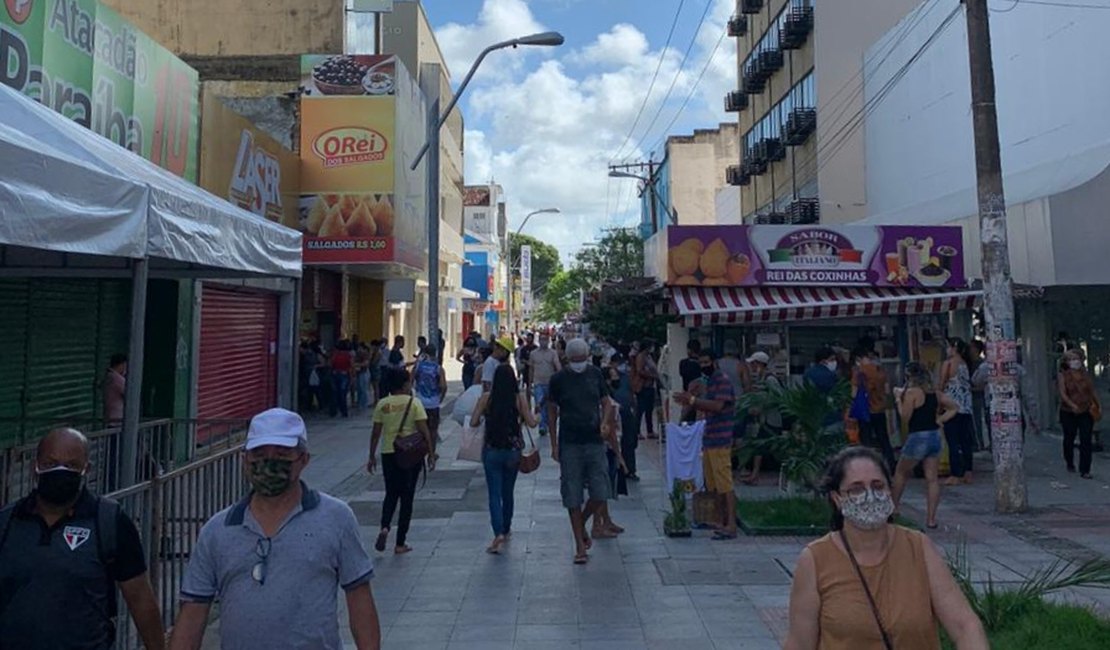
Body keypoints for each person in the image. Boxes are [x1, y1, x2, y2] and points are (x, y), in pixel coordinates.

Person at [170, 409, 381, 650]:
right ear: (245, 460)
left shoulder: (337, 518)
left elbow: (359, 597)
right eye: (259, 454)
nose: (269, 463)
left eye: (282, 454)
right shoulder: (217, 531)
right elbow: (193, 613)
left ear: (303, 460)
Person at [784, 447, 988, 650]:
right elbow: (800, 643)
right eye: (856, 489)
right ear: (837, 498)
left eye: (877, 486)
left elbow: (965, 626)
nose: (870, 496)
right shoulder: (816, 559)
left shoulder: (918, 547)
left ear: (890, 491)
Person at [0, 428, 165, 650]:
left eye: (71, 466)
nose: (60, 472)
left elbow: (140, 597)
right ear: (35, 468)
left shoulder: (109, 521)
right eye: (50, 464)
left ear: (86, 469)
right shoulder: (8, 522)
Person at [547, 338, 616, 565]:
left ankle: (583, 523)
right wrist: (554, 444)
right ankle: (579, 545)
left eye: (581, 359)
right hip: (570, 442)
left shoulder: (595, 374)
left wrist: (605, 422)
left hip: (594, 440)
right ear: (568, 358)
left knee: (601, 490)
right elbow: (551, 411)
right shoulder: (558, 380)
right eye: (575, 360)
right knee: (572, 492)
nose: (578, 363)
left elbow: (607, 402)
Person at [470, 364, 538, 554]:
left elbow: (474, 422)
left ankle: (498, 532)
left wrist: (486, 416)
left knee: (494, 493)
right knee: (508, 492)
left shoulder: (486, 398)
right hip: (513, 451)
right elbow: (532, 423)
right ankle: (506, 528)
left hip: (491, 450)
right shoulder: (519, 398)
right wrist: (539, 417)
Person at [368, 367, 435, 555]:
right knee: (407, 497)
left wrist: (371, 456)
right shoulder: (415, 403)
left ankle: (385, 526)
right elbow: (424, 431)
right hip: (410, 455)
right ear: (406, 384)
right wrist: (431, 453)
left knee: (391, 493)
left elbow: (375, 433)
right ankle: (400, 543)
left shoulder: (382, 404)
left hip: (389, 452)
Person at [676, 350, 738, 539]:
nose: (704, 366)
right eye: (700, 362)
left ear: (714, 362)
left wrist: (693, 400)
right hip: (711, 437)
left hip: (721, 438)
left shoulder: (722, 380)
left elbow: (718, 406)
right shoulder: (710, 381)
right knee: (714, 484)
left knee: (724, 483)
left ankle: (731, 524)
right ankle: (720, 520)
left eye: (706, 362)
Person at [891, 363, 959, 529]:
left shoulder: (912, 393)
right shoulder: (935, 394)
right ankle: (931, 519)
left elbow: (905, 417)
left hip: (918, 436)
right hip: (934, 436)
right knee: (932, 479)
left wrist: (899, 400)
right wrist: (940, 420)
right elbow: (954, 407)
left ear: (909, 377)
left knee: (900, 473)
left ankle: (892, 509)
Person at [851, 346, 896, 471]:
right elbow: (887, 391)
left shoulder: (859, 372)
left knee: (866, 440)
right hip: (879, 410)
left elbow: (854, 394)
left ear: (860, 358)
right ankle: (891, 465)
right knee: (883, 439)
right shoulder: (881, 371)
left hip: (865, 411)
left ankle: (868, 467)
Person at [741, 351, 782, 485]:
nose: (751, 367)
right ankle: (755, 474)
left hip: (772, 419)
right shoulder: (762, 378)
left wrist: (762, 408)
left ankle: (758, 475)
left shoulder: (770, 379)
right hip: (765, 420)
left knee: (774, 449)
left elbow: (778, 397)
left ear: (759, 364)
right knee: (762, 447)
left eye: (753, 364)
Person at [939, 338, 976, 486]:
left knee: (953, 441)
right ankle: (968, 471)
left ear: (953, 348)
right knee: (965, 440)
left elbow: (942, 383)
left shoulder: (948, 364)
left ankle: (955, 473)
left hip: (952, 405)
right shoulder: (965, 364)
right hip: (966, 406)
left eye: (948, 346)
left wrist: (938, 405)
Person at [1059, 349, 1098, 478]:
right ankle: (1070, 462)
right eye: (1071, 359)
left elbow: (1091, 391)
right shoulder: (1063, 375)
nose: (1075, 362)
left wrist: (1096, 404)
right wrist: (1072, 405)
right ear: (1066, 362)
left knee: (1086, 439)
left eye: (1076, 358)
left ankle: (1085, 469)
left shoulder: (1085, 374)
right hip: (1068, 411)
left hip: (1086, 410)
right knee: (1069, 437)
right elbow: (1063, 393)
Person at [608, 350, 640, 481]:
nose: (620, 366)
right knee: (611, 444)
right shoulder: (607, 378)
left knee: (629, 441)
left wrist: (634, 409)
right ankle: (613, 469)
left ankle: (630, 470)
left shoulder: (626, 377)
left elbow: (631, 393)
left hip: (627, 413)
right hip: (612, 415)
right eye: (617, 363)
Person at [413, 345, 447, 452]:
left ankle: (420, 450)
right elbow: (443, 386)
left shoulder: (418, 366)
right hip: (433, 403)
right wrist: (440, 398)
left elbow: (409, 381)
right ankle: (432, 452)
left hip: (419, 403)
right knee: (433, 430)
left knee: (419, 429)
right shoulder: (438, 368)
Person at [529, 333, 562, 435]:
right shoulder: (533, 354)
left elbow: (557, 365)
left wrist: (561, 377)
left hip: (550, 383)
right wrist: (529, 383)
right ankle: (542, 426)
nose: (543, 341)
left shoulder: (553, 353)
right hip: (538, 382)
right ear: (538, 340)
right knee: (540, 403)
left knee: (550, 405)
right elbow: (531, 368)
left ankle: (548, 422)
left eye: (545, 339)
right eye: (542, 339)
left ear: (548, 341)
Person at [633, 339, 661, 440]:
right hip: (643, 386)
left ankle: (650, 431)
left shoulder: (648, 356)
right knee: (640, 409)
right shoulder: (641, 356)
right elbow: (639, 370)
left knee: (649, 409)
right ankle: (637, 432)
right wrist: (652, 376)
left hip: (650, 386)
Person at [968, 340, 989, 450]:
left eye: (971, 347)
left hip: (978, 395)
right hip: (973, 395)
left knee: (978, 421)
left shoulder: (981, 365)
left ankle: (979, 443)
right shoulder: (968, 363)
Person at [329, 340, 353, 418]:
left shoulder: (335, 355)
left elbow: (331, 364)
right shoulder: (348, 355)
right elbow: (351, 366)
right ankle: (344, 411)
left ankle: (333, 411)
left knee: (334, 394)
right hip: (344, 374)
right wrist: (352, 376)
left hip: (335, 374)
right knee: (343, 394)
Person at [101, 353, 128, 423]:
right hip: (118, 419)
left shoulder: (108, 376)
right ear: (121, 365)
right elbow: (129, 396)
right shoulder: (117, 379)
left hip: (109, 417)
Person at [355, 342, 372, 411]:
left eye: (360, 348)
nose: (359, 349)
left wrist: (356, 365)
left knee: (363, 389)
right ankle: (360, 403)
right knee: (360, 389)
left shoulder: (365, 355)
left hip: (364, 373)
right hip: (360, 373)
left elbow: (365, 364)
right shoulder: (359, 355)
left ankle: (364, 404)